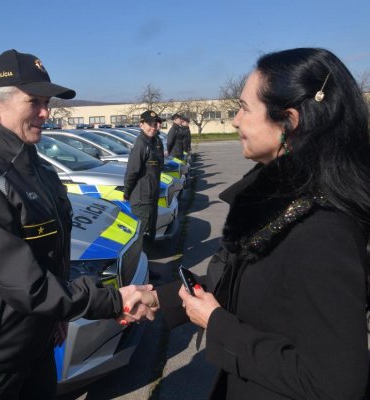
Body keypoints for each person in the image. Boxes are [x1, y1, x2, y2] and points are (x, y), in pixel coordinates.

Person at [125, 47, 370, 399]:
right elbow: (235, 280)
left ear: (289, 120)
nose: (236, 120)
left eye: (243, 107)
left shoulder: (322, 230)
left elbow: (336, 384)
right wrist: (159, 298)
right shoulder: (275, 200)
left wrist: (216, 324)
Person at [0, 49, 154, 400]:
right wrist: (112, 300)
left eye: (48, 102)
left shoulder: (34, 165)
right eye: (34, 102)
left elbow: (49, 251)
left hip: (31, 342)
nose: (46, 113)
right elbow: (22, 283)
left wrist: (54, 318)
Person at [123, 110, 165, 253]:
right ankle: (143, 269)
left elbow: (159, 166)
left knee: (150, 233)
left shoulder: (154, 142)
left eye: (155, 124)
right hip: (142, 198)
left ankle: (147, 266)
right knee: (143, 235)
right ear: (141, 124)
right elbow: (132, 172)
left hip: (152, 195)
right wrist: (126, 193)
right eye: (149, 124)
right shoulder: (141, 144)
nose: (153, 127)